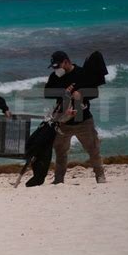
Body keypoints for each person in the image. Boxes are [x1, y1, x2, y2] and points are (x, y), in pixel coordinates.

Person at [44, 51, 106, 184]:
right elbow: (46, 92)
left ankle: (100, 176)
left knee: (93, 150)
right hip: (63, 121)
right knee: (60, 152)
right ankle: (58, 179)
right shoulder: (55, 76)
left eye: (57, 65)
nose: (56, 69)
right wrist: (65, 92)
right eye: (54, 66)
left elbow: (95, 92)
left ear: (66, 61)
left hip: (83, 120)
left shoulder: (82, 73)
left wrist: (81, 94)